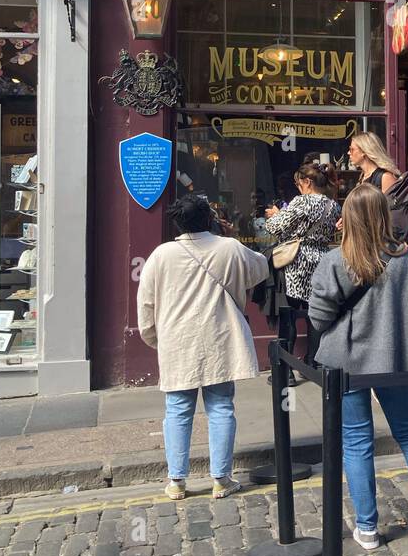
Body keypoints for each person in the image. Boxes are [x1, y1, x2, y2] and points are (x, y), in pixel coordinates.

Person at [308, 182, 408, 550]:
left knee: (357, 443)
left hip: (347, 362)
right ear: (382, 216)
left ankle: (368, 527)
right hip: (396, 358)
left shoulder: (335, 260)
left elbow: (317, 316)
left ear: (348, 218)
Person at [137, 194, 269, 500]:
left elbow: (146, 302)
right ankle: (221, 478)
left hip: (177, 340)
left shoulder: (161, 254)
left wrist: (152, 337)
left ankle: (176, 481)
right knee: (221, 406)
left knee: (178, 409)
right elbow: (261, 269)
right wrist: (233, 238)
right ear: (209, 218)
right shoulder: (229, 247)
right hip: (220, 337)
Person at [265, 162, 341, 366]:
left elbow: (275, 228)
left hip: (296, 261)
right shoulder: (332, 204)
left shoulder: (301, 202)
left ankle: (285, 368)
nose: (298, 187)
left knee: (288, 314)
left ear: (307, 182)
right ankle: (314, 362)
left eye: (299, 183)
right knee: (315, 314)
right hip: (321, 258)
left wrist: (275, 215)